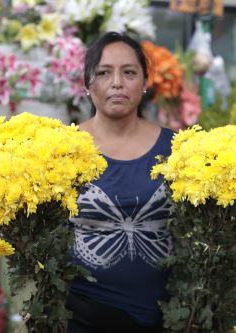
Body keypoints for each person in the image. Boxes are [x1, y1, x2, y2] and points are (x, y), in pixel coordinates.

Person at [66, 32, 174, 333]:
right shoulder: (62, 149)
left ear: (145, 82)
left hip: (166, 317)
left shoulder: (177, 149)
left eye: (129, 72)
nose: (117, 83)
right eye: (104, 73)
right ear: (88, 84)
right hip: (83, 316)